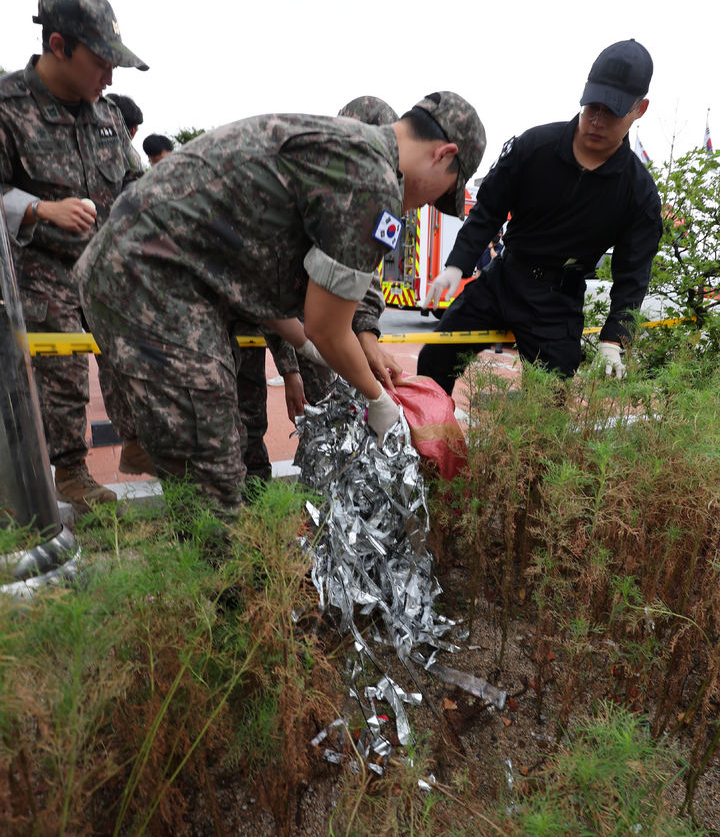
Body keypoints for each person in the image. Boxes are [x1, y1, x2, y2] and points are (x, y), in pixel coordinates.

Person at [77, 92, 486, 511]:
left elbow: (267, 274)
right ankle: (218, 563)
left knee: (212, 456)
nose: (427, 205)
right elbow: (325, 327)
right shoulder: (371, 180)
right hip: (150, 280)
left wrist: (350, 339)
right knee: (212, 478)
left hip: (152, 271)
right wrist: (378, 402)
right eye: (441, 195)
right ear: (443, 154)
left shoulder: (349, 147)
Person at [419, 40, 663, 394]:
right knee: (434, 359)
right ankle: (432, 445)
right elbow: (488, 209)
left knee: (551, 397)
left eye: (611, 111)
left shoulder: (638, 193)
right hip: (503, 278)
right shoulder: (534, 148)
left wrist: (615, 340)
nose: (596, 120)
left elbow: (633, 276)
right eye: (592, 106)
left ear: (639, 109)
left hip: (557, 300)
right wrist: (456, 266)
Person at [0, 0, 151, 514]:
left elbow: (137, 182)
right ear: (59, 46)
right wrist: (43, 209)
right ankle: (70, 472)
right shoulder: (8, 106)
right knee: (62, 357)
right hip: (38, 264)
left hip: (104, 264)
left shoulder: (106, 114)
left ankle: (136, 442)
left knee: (136, 346)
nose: (109, 76)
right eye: (101, 62)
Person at [235, 95, 401, 485]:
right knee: (238, 423)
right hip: (247, 311)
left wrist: (367, 334)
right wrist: (294, 362)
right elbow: (265, 285)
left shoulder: (372, 192)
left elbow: (367, 274)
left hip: (302, 323)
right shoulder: (306, 185)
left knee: (331, 416)